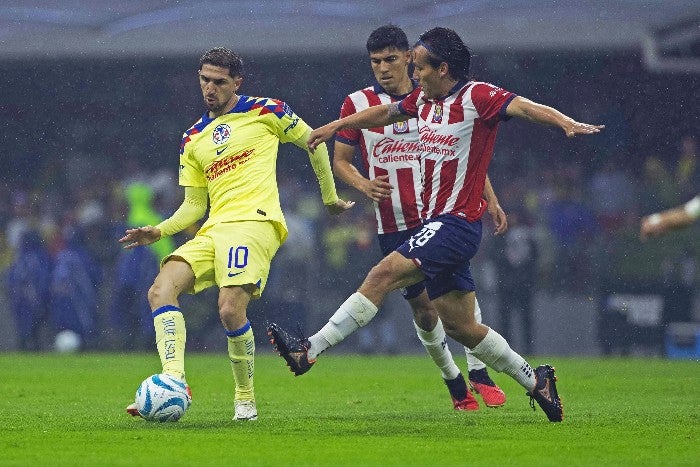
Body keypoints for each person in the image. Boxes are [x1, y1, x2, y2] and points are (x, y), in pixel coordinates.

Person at [268, 27, 604, 422]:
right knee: (461, 328)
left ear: (442, 68)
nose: (414, 72)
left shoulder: (477, 96)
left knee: (380, 275)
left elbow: (525, 107)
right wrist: (336, 126)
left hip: (456, 224)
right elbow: (384, 113)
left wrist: (563, 121)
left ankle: (308, 351)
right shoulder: (423, 100)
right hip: (436, 225)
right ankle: (537, 380)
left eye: (418, 66)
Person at [119, 47, 353, 421]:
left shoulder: (268, 110)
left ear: (237, 83)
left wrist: (330, 199)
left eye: (219, 82)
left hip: (256, 222)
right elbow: (195, 205)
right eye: (204, 80)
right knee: (160, 289)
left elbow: (315, 141)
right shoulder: (193, 137)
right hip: (216, 227)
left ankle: (245, 400)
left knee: (229, 308)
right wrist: (158, 230)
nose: (209, 88)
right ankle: (174, 381)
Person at [328, 25, 506, 410]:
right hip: (393, 221)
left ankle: (479, 371)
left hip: (441, 213)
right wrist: (362, 185)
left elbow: (463, 151)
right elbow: (340, 161)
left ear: (409, 58)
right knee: (425, 310)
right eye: (376, 62)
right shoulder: (356, 103)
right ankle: (453, 381)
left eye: (391, 59)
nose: (383, 68)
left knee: (460, 294)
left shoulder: (435, 96)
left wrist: (490, 197)